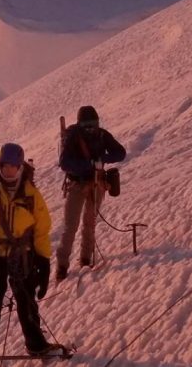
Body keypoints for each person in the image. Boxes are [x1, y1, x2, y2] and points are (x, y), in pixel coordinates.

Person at [0, 143, 58, 365]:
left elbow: (41, 230)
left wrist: (44, 261)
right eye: (5, 167)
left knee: (27, 302)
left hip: (21, 256)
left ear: (20, 167)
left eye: (13, 167)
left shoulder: (31, 194)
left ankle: (35, 344)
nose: (9, 172)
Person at [55, 106, 126, 279]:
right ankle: (62, 266)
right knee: (70, 226)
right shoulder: (72, 136)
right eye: (87, 126)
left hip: (97, 182)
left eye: (93, 124)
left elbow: (120, 153)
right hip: (77, 184)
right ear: (79, 125)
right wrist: (91, 164)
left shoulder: (101, 135)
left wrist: (102, 159)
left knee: (90, 222)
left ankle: (85, 259)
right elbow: (64, 163)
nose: (90, 129)